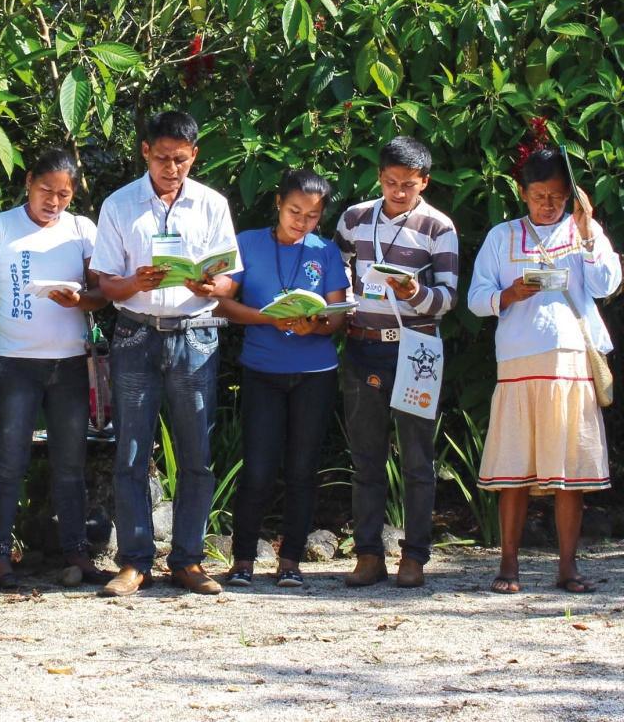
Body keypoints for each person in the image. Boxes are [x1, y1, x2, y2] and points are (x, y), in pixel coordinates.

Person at [89, 111, 239, 597]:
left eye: (180, 159)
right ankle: (134, 561)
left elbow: (231, 278)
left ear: (195, 155)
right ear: (144, 153)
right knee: (131, 450)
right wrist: (135, 282)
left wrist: (209, 284)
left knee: (196, 452)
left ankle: (189, 560)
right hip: (136, 333)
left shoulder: (212, 204)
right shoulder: (119, 204)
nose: (171, 169)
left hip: (194, 333)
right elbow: (105, 281)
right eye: (161, 158)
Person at [468, 148, 620, 594]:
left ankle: (568, 567)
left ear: (571, 196)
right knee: (514, 469)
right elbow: (477, 298)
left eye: (556, 195)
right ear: (522, 193)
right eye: (538, 195)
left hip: (571, 362)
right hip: (517, 361)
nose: (548, 204)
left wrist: (588, 231)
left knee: (568, 470)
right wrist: (510, 294)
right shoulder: (502, 236)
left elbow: (606, 285)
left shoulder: (584, 232)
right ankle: (509, 565)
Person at [0, 148, 110, 589]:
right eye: (46, 190)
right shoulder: (1, 226)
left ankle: (76, 552)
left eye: (64, 195)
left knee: (70, 462)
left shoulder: (82, 230)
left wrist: (80, 302)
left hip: (68, 363)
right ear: (29, 181)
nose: (54, 201)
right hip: (15, 363)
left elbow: (101, 290)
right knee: (10, 461)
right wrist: (1, 320)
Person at [334, 135, 458, 588]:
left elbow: (447, 299)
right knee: (365, 455)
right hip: (364, 343)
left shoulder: (438, 228)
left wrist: (415, 293)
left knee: (416, 458)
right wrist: (345, 303)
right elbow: (337, 272)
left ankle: (415, 557)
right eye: (390, 182)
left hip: (418, 347)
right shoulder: (354, 218)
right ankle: (368, 553)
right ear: (379, 177)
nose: (399, 192)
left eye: (409, 184)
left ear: (424, 181)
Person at [215, 169, 349, 588]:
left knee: (302, 468)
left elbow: (338, 312)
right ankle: (242, 560)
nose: (302, 221)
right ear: (278, 202)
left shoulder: (324, 252)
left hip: (314, 373)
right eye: (295, 211)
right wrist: (266, 319)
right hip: (262, 370)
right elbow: (222, 303)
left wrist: (318, 325)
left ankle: (290, 560)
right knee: (257, 467)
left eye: (312, 216)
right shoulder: (249, 243)